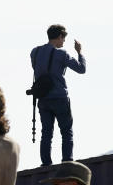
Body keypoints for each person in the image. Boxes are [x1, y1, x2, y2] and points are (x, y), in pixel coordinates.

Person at [30, 24, 86, 167]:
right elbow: (81, 69)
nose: (64, 42)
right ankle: (67, 161)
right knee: (66, 131)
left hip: (42, 99)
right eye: (63, 39)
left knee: (46, 133)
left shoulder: (34, 52)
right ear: (60, 36)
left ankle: (46, 163)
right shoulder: (62, 54)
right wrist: (80, 53)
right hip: (59, 97)